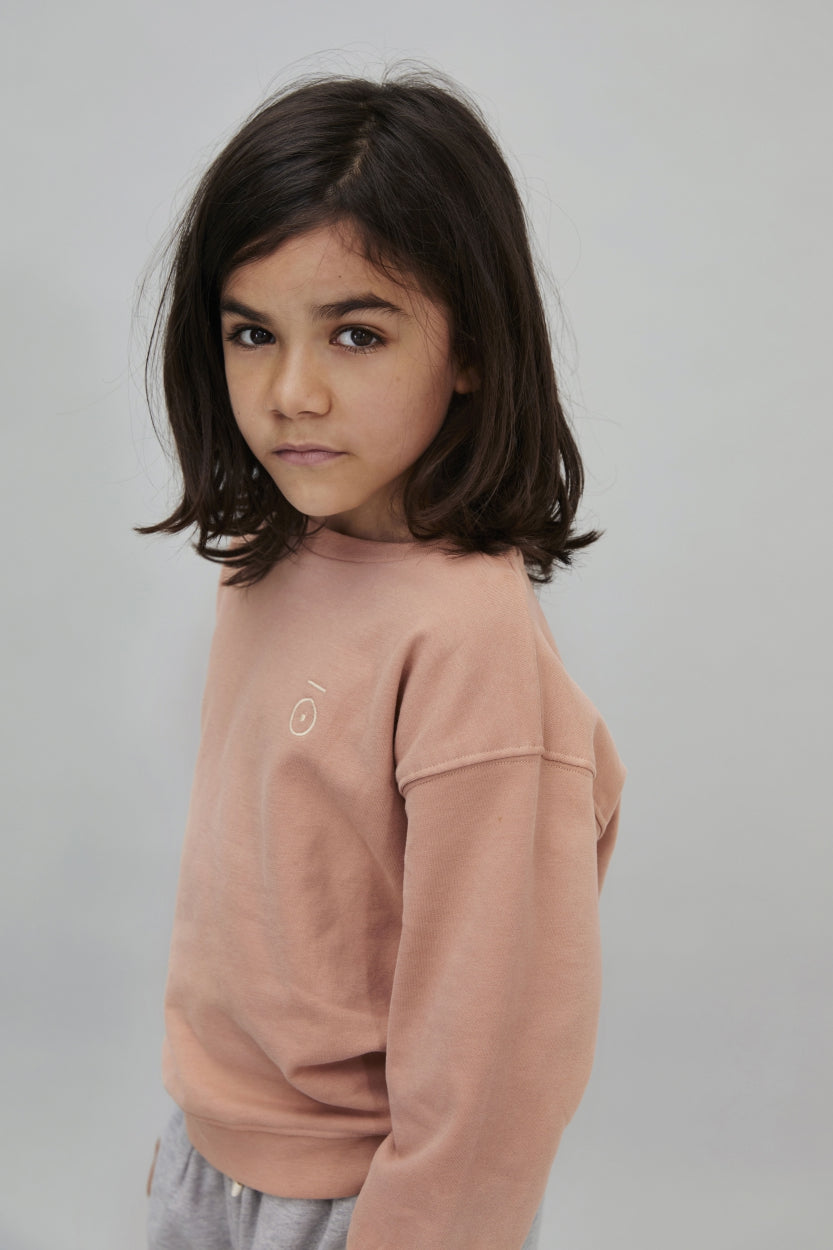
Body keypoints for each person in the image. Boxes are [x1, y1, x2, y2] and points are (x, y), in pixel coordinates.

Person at [137, 67, 628, 1250]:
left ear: (470, 348)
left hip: (366, 1199)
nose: (291, 392)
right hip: (209, 1157)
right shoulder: (265, 563)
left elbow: (498, 1049)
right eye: (252, 332)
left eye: (356, 333)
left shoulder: (467, 643)